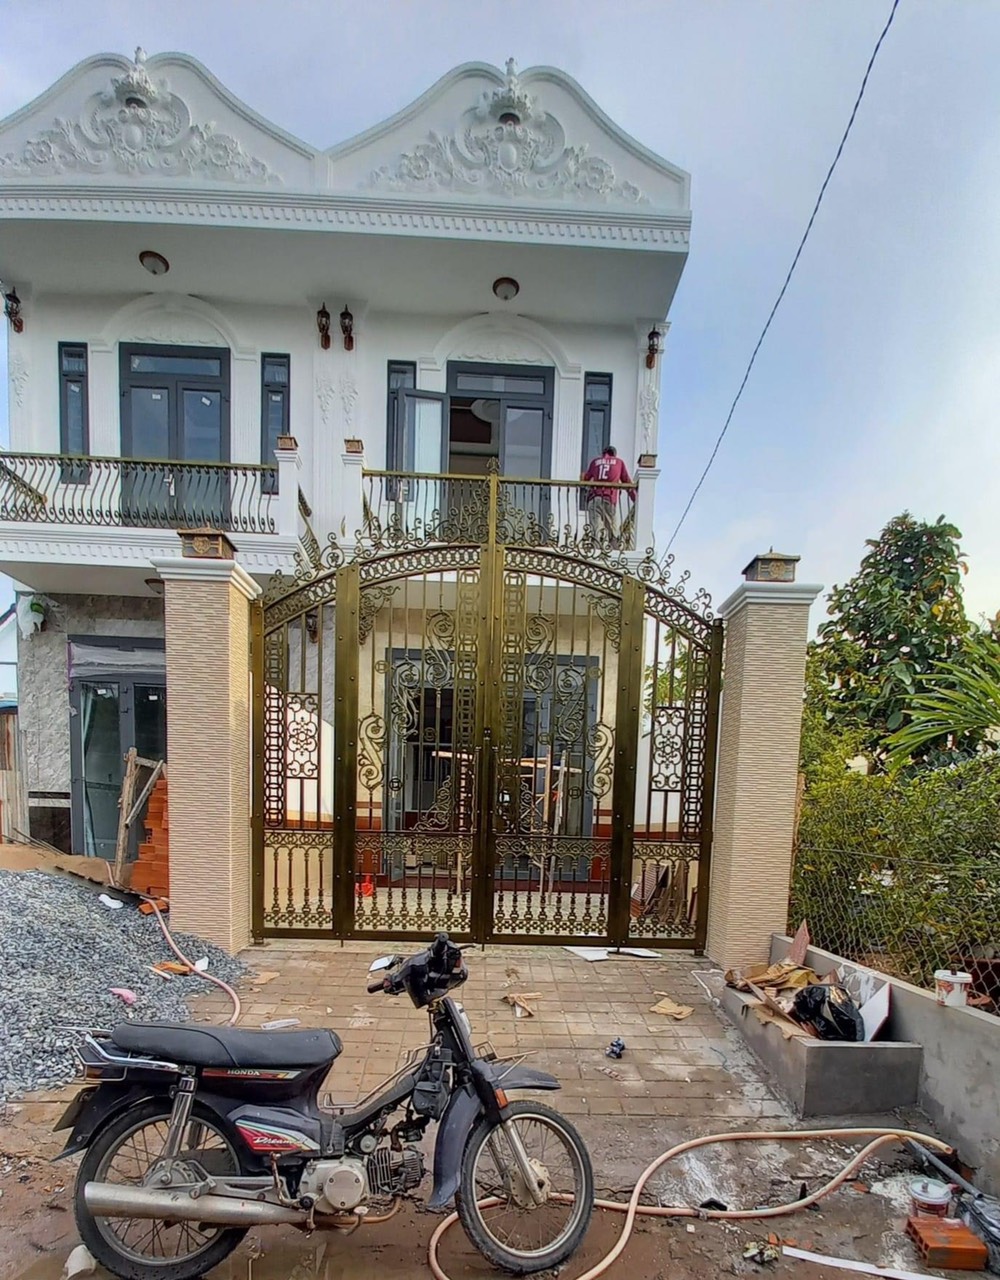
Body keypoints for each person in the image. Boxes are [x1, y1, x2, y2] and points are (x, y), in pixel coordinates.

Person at [582, 445, 635, 548]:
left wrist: (582, 476)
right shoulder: (619, 462)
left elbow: (585, 478)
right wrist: (636, 499)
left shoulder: (595, 462)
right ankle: (614, 549)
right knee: (612, 532)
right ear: (614, 454)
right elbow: (626, 481)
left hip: (594, 499)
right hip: (609, 499)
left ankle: (596, 548)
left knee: (596, 530)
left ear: (603, 453)